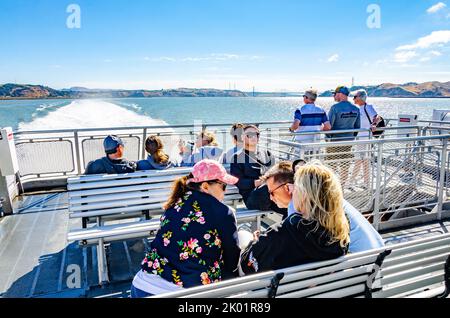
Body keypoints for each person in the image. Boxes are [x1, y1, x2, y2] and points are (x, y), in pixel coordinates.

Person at [131, 160, 241, 297]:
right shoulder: (223, 212)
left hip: (142, 284)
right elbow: (232, 259)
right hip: (182, 291)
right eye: (223, 186)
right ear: (205, 186)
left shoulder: (176, 202)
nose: (225, 192)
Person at [239, 161, 350, 274]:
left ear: (303, 194)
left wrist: (256, 242)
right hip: (329, 289)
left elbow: (246, 265)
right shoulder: (342, 230)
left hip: (288, 290)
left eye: (295, 187)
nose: (292, 190)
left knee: (242, 236)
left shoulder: (282, 233)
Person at [259, 161, 384, 254]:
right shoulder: (329, 199)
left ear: (289, 188)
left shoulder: (298, 209)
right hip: (375, 262)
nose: (270, 198)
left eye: (272, 192)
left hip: (356, 271)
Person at [229, 125, 284, 215]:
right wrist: (257, 182)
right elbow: (238, 182)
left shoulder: (267, 154)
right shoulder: (236, 158)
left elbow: (276, 171)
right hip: (252, 197)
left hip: (272, 195)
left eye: (256, 134)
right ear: (242, 137)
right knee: (267, 187)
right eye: (250, 134)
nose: (254, 137)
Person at [326, 86, 361, 185]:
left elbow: (329, 126)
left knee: (331, 166)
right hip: (348, 142)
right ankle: (341, 187)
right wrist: (351, 137)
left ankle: (331, 188)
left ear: (340, 94)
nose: (333, 96)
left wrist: (327, 137)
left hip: (334, 142)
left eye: (334, 94)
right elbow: (357, 127)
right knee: (345, 165)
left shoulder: (335, 108)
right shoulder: (355, 108)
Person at [352, 89, 380, 186]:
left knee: (361, 160)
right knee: (362, 160)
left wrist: (374, 124)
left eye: (355, 97)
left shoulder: (367, 107)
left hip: (366, 138)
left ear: (360, 98)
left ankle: (354, 181)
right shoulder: (357, 108)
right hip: (359, 138)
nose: (353, 99)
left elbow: (377, 117)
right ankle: (365, 182)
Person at [289, 89, 331, 154]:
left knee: (300, 162)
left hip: (302, 145)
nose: (303, 98)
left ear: (306, 98)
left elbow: (295, 125)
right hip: (315, 145)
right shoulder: (321, 110)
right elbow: (328, 127)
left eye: (304, 96)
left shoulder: (300, 110)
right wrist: (319, 130)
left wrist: (291, 129)